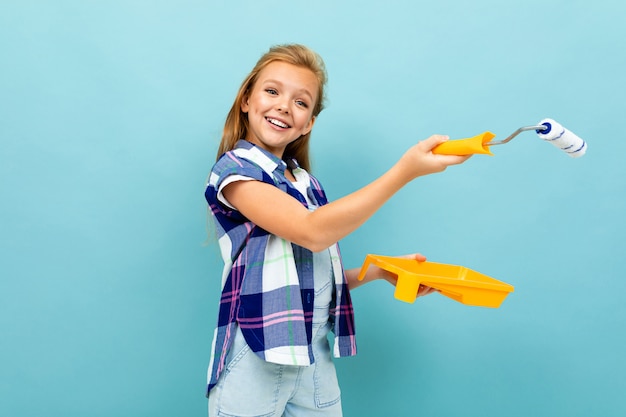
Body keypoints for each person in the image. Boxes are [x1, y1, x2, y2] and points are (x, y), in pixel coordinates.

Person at [204, 43, 470, 417]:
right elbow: (312, 232)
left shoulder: (304, 183)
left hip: (312, 357)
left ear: (309, 122)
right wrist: (405, 171)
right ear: (246, 99)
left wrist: (377, 271)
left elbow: (306, 278)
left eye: (301, 102)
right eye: (272, 91)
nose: (284, 105)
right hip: (257, 355)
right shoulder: (235, 172)